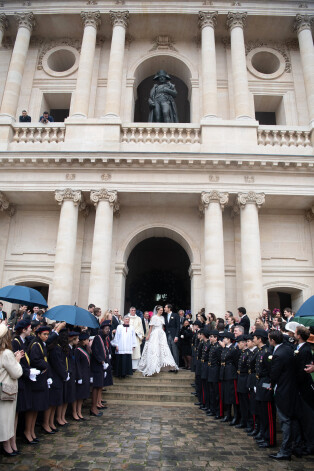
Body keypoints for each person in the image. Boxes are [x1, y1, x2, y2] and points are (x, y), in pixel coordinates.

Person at [268, 330, 297, 461]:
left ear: (273, 341)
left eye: (269, 339)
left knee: (285, 420)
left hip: (283, 390)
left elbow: (274, 374)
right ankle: (290, 446)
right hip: (290, 388)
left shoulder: (278, 354)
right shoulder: (287, 349)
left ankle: (285, 450)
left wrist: (270, 383)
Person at [0, 323, 23, 457]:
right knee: (6, 419)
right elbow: (16, 372)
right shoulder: (7, 353)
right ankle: (7, 446)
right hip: (7, 391)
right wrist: (17, 360)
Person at [138, 305, 178, 377]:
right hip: (155, 333)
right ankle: (153, 366)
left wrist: (163, 334)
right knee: (155, 349)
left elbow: (163, 327)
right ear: (157, 310)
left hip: (161, 334)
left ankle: (164, 365)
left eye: (162, 310)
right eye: (160, 310)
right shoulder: (154, 317)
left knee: (163, 348)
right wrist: (148, 335)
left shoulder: (163, 317)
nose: (161, 311)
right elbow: (151, 327)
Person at [74, 331, 91, 421]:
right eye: (87, 340)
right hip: (80, 375)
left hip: (86, 374)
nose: (88, 341)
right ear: (83, 340)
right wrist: (79, 377)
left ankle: (79, 412)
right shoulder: (78, 350)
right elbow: (77, 364)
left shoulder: (85, 349)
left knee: (82, 396)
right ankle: (75, 412)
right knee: (78, 395)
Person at [164, 303, 180, 370]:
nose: (164, 308)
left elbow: (178, 326)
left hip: (173, 335)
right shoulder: (165, 316)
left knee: (174, 351)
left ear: (169, 308)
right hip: (167, 335)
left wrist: (176, 336)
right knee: (169, 351)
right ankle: (170, 365)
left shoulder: (175, 315)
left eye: (165, 307)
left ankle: (176, 365)